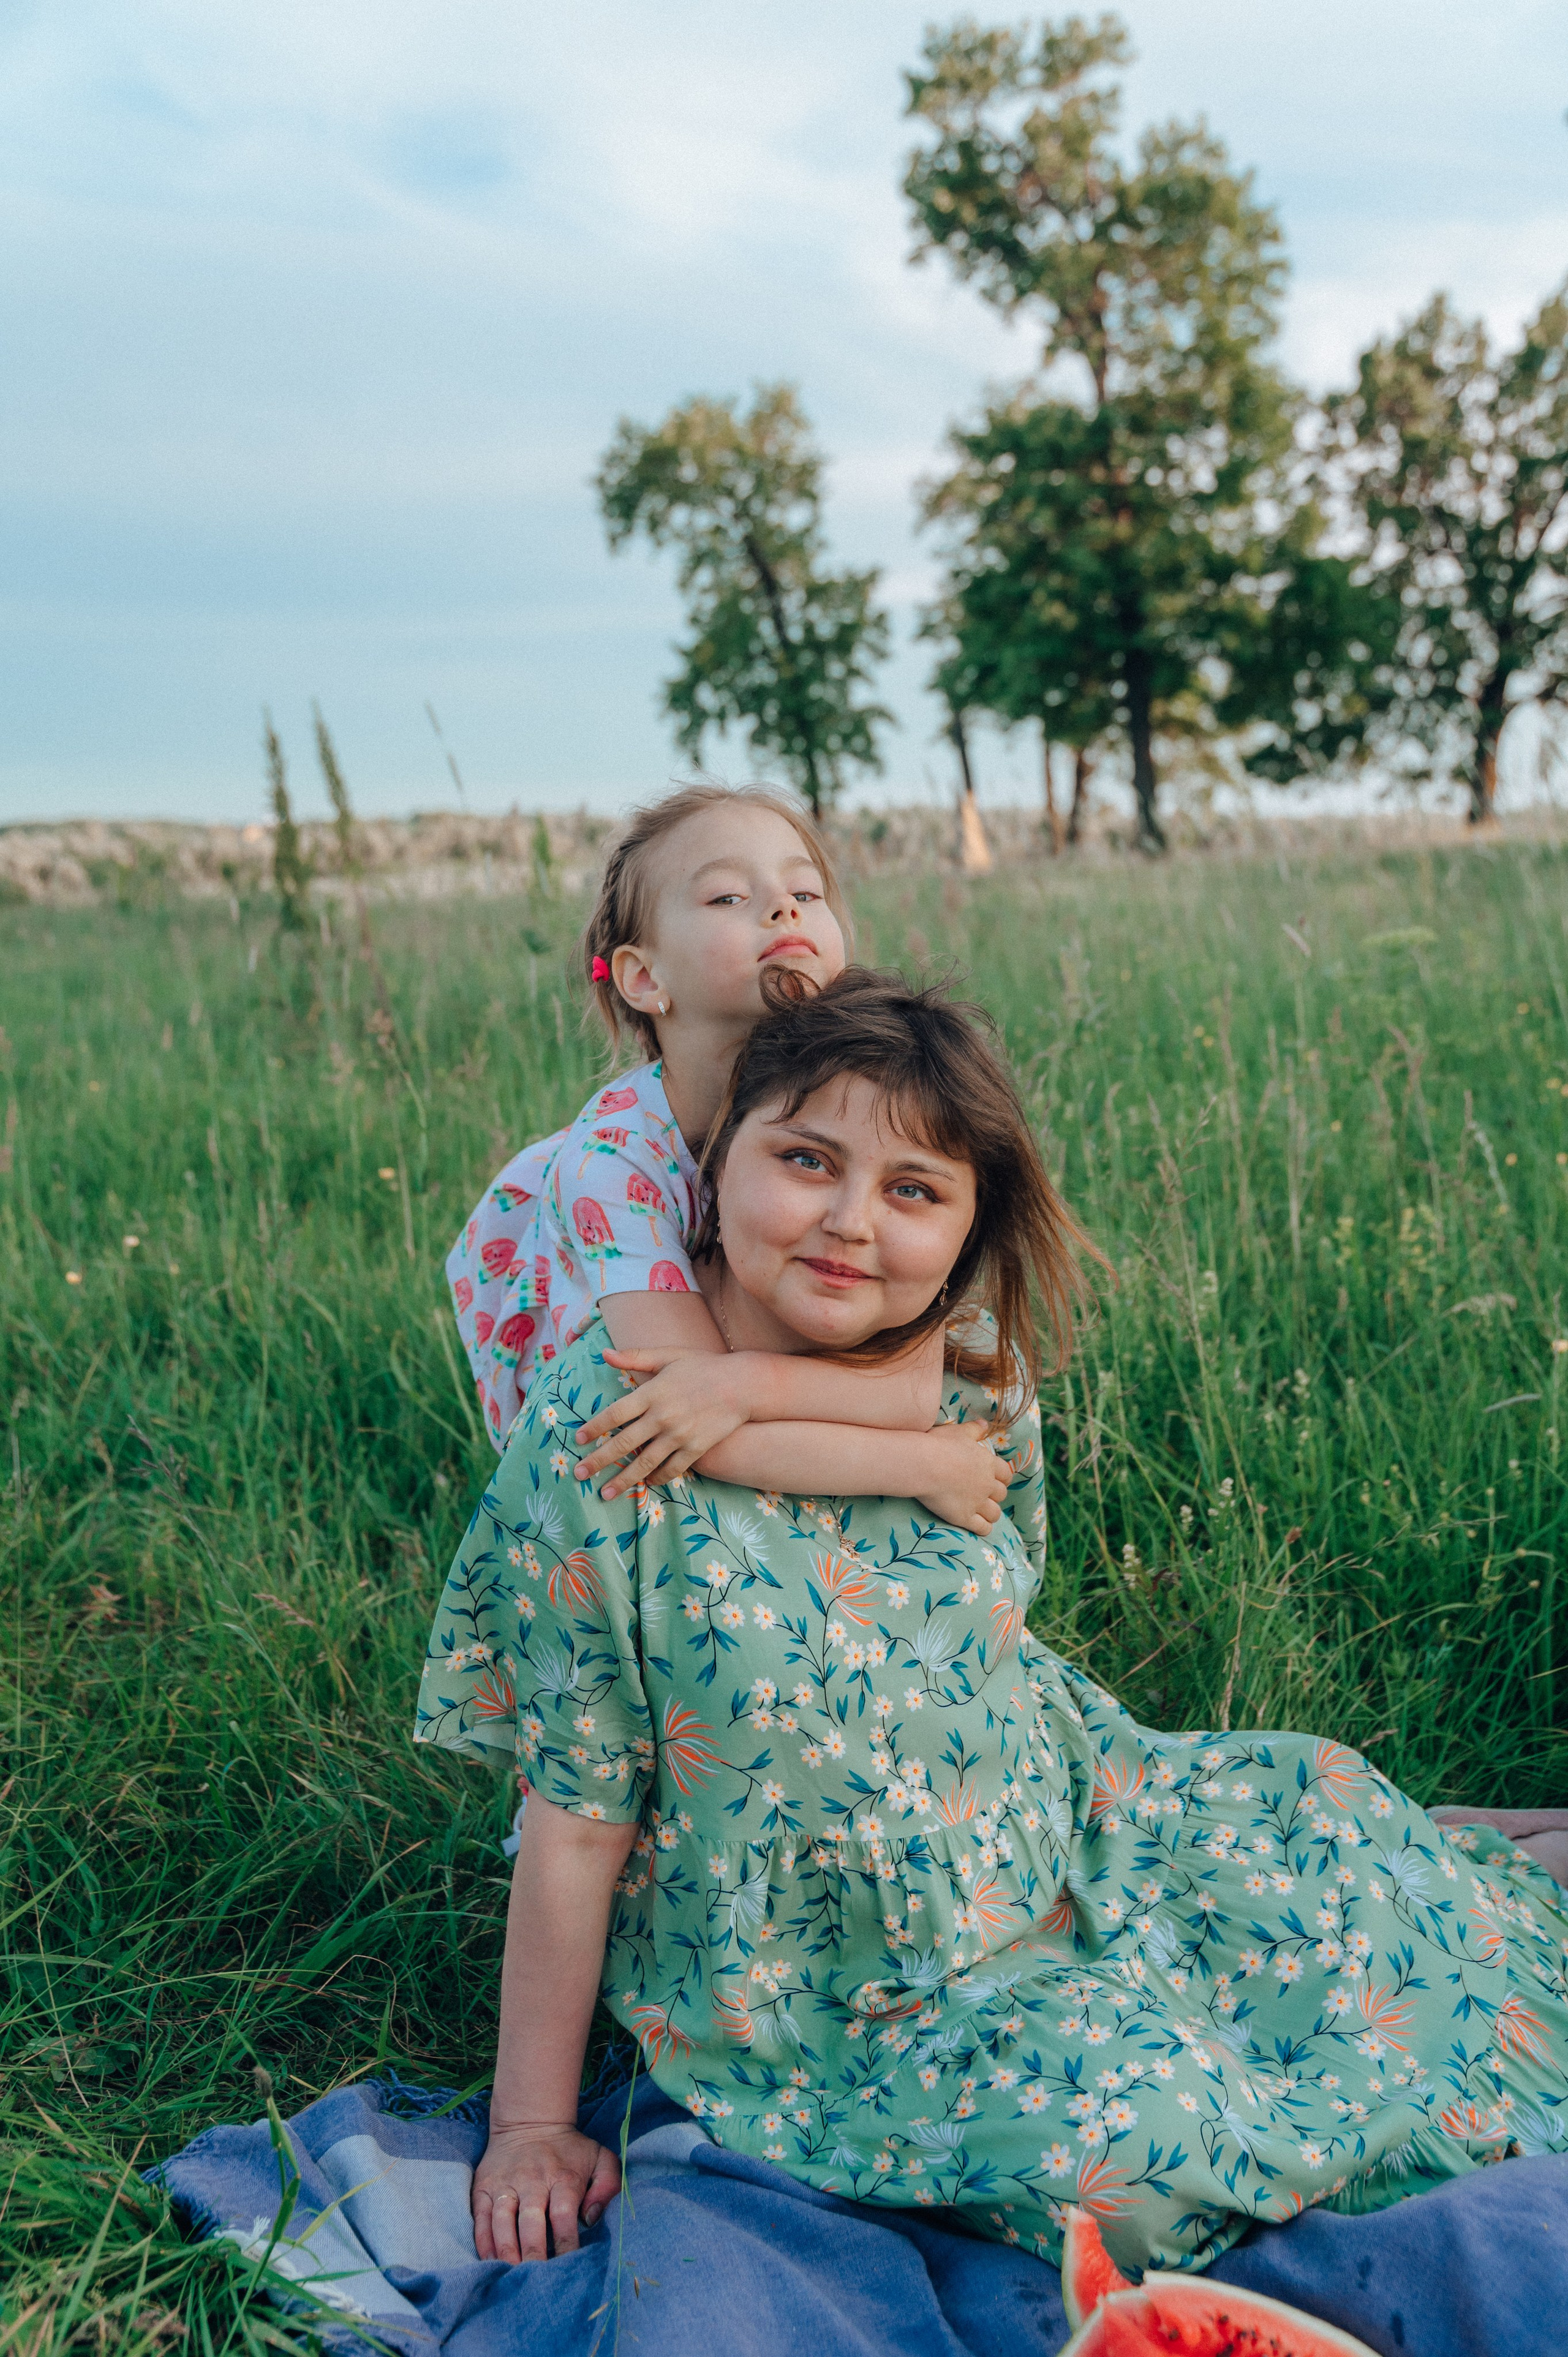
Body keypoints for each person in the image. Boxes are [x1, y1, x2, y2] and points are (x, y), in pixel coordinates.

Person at [415, 970, 1568, 2287]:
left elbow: (988, 1630)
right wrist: (529, 2126)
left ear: (965, 1231)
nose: (851, 1223)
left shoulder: (964, 1371)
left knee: (1335, 1837)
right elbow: (574, 1812)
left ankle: (1491, 1859)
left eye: (914, 1189)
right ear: (714, 1162)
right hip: (827, 1995)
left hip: (1057, 1826)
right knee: (1128, 2158)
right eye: (806, 1159)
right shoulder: (605, 1437)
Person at [445, 782, 997, 1535]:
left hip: (738, 1350)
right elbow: (690, 1417)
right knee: (657, 1462)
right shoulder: (614, 1168)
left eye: (805, 889)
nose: (783, 908)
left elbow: (905, 1392)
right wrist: (922, 1465)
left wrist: (742, 1383)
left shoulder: (874, 1085)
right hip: (621, 1389)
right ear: (644, 978)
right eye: (728, 897)